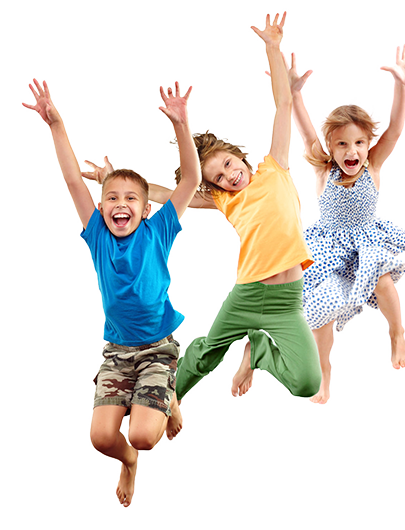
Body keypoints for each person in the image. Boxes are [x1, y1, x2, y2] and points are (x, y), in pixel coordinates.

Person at [84, 13, 321, 403]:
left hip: (286, 300)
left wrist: (272, 48)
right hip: (247, 293)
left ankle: (258, 351)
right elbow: (165, 193)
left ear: (240, 157)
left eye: (229, 164)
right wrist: (114, 182)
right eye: (218, 176)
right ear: (214, 186)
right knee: (208, 353)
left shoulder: (275, 167)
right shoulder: (225, 201)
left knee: (307, 383)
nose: (228, 175)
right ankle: (161, 402)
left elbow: (282, 103)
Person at [22, 80, 201, 507]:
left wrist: (181, 123)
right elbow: (71, 180)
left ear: (145, 209)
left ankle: (167, 395)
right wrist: (55, 124)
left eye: (131, 199)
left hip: (158, 349)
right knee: (103, 438)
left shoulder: (160, 232)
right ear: (102, 209)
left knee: (144, 435)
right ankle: (129, 463)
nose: (121, 204)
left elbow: (191, 178)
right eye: (112, 198)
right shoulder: (99, 236)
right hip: (118, 352)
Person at [286, 45, 405, 404]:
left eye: (360, 143)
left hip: (365, 240)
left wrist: (403, 86)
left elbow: (394, 130)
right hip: (327, 246)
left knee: (382, 278)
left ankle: (397, 333)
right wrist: (295, 93)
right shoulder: (323, 168)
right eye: (343, 144)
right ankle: (324, 369)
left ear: (368, 145)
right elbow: (305, 135)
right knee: (321, 307)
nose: (352, 151)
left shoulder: (373, 166)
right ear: (331, 147)